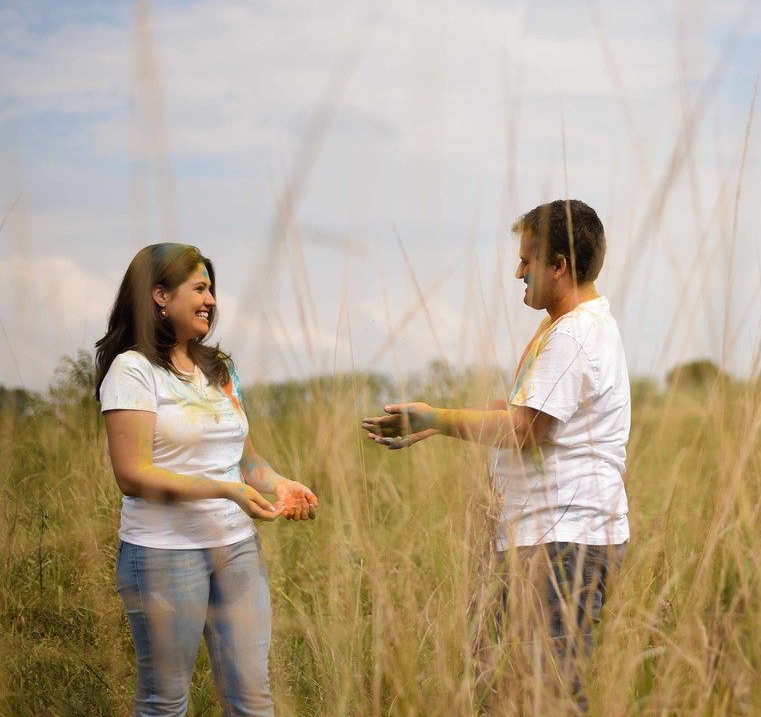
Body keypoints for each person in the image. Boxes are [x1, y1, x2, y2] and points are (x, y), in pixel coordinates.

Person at [362, 199, 631, 711]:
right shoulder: (569, 326)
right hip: (547, 536)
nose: (518, 272)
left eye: (528, 260)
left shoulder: (576, 333)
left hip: (562, 541)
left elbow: (524, 430)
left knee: (551, 695)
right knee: (510, 690)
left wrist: (438, 419)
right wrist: (434, 419)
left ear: (559, 266)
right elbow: (520, 412)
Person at [95, 243, 318, 716]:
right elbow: (132, 475)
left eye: (211, 290)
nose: (211, 301)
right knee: (164, 701)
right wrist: (226, 490)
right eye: (199, 288)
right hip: (163, 555)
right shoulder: (133, 371)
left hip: (237, 549)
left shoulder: (220, 369)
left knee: (252, 697)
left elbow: (246, 461)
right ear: (160, 295)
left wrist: (278, 483)